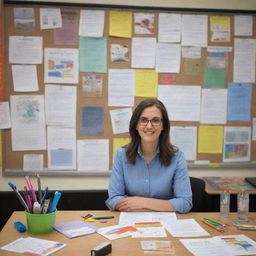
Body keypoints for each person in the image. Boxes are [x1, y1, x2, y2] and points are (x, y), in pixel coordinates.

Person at [105, 98, 192, 213]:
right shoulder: (122, 155)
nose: (149, 126)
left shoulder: (177, 157)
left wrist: (143, 202)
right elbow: (114, 199)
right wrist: (162, 206)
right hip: (131, 223)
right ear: (136, 125)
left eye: (155, 120)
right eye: (143, 120)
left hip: (166, 223)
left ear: (163, 125)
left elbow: (185, 203)